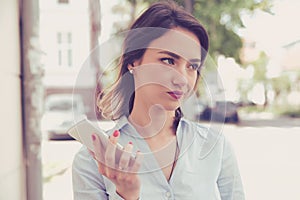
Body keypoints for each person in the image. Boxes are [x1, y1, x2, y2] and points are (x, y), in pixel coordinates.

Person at [72, 1, 245, 199]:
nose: (181, 79)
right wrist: (127, 195)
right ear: (134, 62)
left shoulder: (216, 147)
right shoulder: (91, 161)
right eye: (168, 60)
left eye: (192, 66)